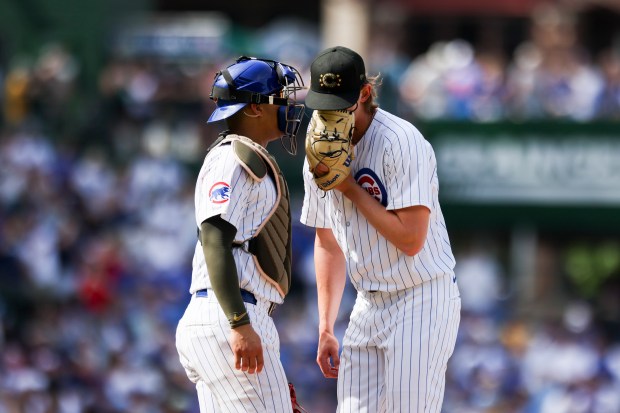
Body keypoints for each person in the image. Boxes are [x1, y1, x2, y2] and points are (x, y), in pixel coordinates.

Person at [300, 46, 462, 412]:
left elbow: (411, 239)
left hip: (421, 296)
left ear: (365, 94)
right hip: (368, 301)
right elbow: (327, 240)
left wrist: (349, 189)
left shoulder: (401, 142)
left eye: (341, 104)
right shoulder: (318, 141)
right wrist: (326, 325)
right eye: (323, 105)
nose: (331, 116)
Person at [176, 56, 305, 412]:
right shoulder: (231, 157)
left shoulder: (246, 156)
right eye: (280, 97)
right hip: (229, 312)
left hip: (229, 314)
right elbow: (214, 237)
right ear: (253, 109)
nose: (288, 104)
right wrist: (239, 323)